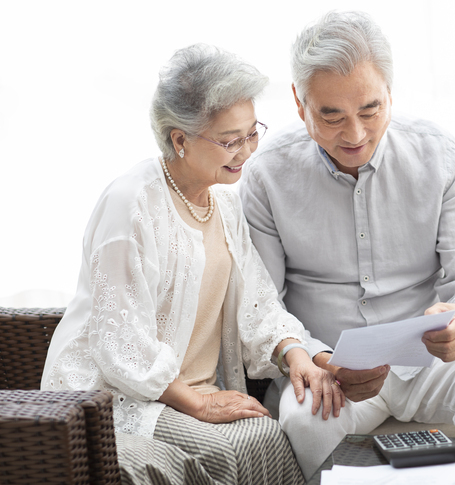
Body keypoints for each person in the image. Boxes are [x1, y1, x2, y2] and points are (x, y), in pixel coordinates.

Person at [240, 10, 455, 479]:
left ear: (391, 94)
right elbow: (261, 308)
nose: (354, 135)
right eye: (331, 115)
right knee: (302, 420)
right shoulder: (265, 176)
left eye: (370, 110)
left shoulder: (440, 156)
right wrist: (319, 360)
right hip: (329, 365)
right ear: (299, 103)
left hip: (429, 362)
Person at [41, 44, 343, 485]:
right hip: (115, 395)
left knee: (266, 436)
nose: (245, 151)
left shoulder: (223, 202)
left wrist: (295, 354)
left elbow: (257, 304)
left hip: (189, 392)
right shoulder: (131, 204)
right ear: (179, 139)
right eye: (229, 140)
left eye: (251, 133)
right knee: (237, 443)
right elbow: (120, 344)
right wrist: (200, 405)